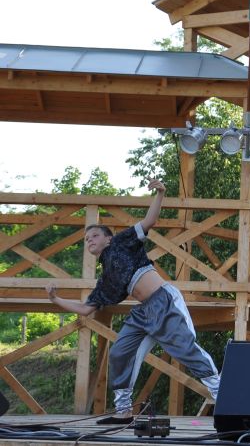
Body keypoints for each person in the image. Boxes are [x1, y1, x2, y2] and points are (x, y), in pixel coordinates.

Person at [45, 179, 219, 424]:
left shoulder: (121, 242)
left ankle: (224, 396)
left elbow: (149, 221)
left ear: (108, 239)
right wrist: (55, 299)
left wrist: (160, 193)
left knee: (185, 349)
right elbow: (85, 309)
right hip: (142, 313)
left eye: (94, 235)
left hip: (163, 301)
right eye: (86, 239)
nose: (89, 240)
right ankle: (123, 410)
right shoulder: (105, 279)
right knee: (119, 352)